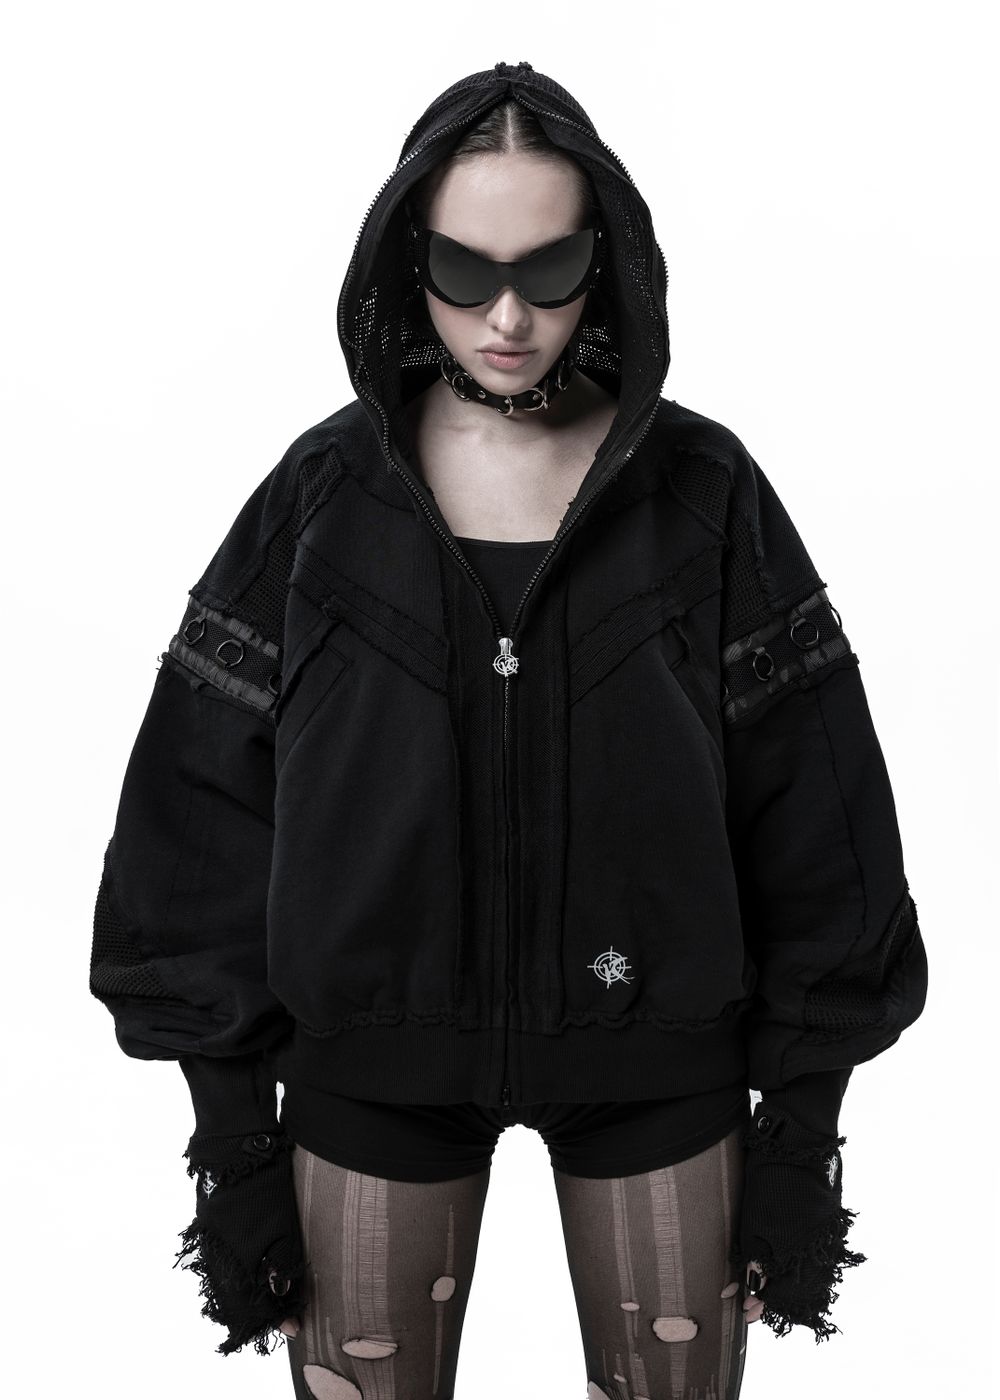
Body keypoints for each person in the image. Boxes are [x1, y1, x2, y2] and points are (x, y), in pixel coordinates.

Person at [88, 61, 928, 1398]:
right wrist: (232, 1134)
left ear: (610, 261)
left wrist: (803, 1126)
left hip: (660, 1051)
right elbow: (196, 807)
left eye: (550, 268)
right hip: (372, 1056)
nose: (507, 315)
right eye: (462, 269)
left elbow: (817, 801)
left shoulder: (702, 492)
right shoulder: (322, 497)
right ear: (402, 261)